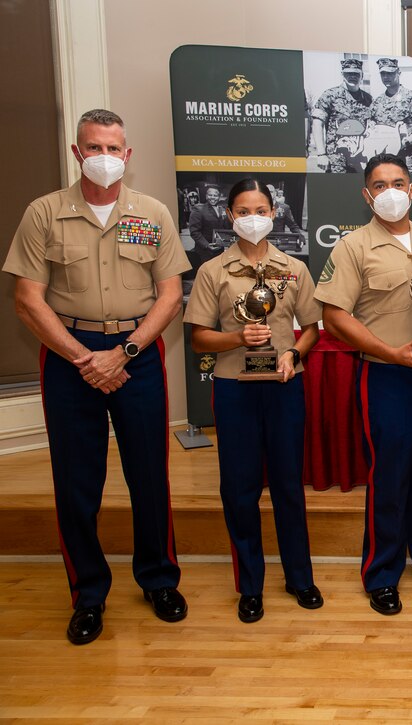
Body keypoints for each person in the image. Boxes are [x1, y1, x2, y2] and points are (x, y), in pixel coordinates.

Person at [3, 109, 191, 644]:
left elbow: (171, 295)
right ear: (77, 152)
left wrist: (124, 351)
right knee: (77, 482)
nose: (104, 157)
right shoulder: (44, 213)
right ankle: (88, 594)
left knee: (149, 477)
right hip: (69, 355)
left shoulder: (151, 213)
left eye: (114, 148)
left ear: (127, 155)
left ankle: (158, 579)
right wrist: (84, 358)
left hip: (137, 352)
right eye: (94, 147)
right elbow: (26, 300)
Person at [316, 153, 412, 616]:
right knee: (390, 475)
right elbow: (334, 316)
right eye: (379, 184)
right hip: (386, 375)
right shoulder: (353, 247)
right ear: (367, 195)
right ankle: (382, 573)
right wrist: (391, 353)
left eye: (397, 182)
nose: (389, 191)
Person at [183, 178, 324, 624]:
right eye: (243, 211)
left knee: (287, 486)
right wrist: (237, 337)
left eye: (261, 209)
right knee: (240, 490)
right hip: (234, 388)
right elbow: (198, 338)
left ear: (275, 212)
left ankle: (300, 577)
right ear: (230, 216)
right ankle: (250, 585)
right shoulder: (212, 271)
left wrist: (293, 353)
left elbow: (312, 329)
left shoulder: (294, 269)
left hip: (284, 386)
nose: (253, 218)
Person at [309, 58, 372, 173]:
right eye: (348, 73)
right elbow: (317, 124)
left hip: (362, 159)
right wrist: (321, 154)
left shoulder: (368, 99)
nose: (352, 76)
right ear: (342, 74)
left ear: (362, 76)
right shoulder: (330, 95)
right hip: (336, 160)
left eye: (356, 74)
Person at [369, 58, 412, 174]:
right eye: (383, 74)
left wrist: (406, 142)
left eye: (390, 73)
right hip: (385, 164)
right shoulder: (377, 102)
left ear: (398, 72)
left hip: (410, 163)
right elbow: (373, 128)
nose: (386, 77)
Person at [188, 186, 229, 267]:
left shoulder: (223, 209)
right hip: (204, 252)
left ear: (219, 197)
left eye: (215, 195)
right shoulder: (198, 209)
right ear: (206, 196)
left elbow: (226, 228)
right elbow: (194, 232)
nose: (213, 198)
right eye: (210, 195)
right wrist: (206, 245)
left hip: (219, 250)